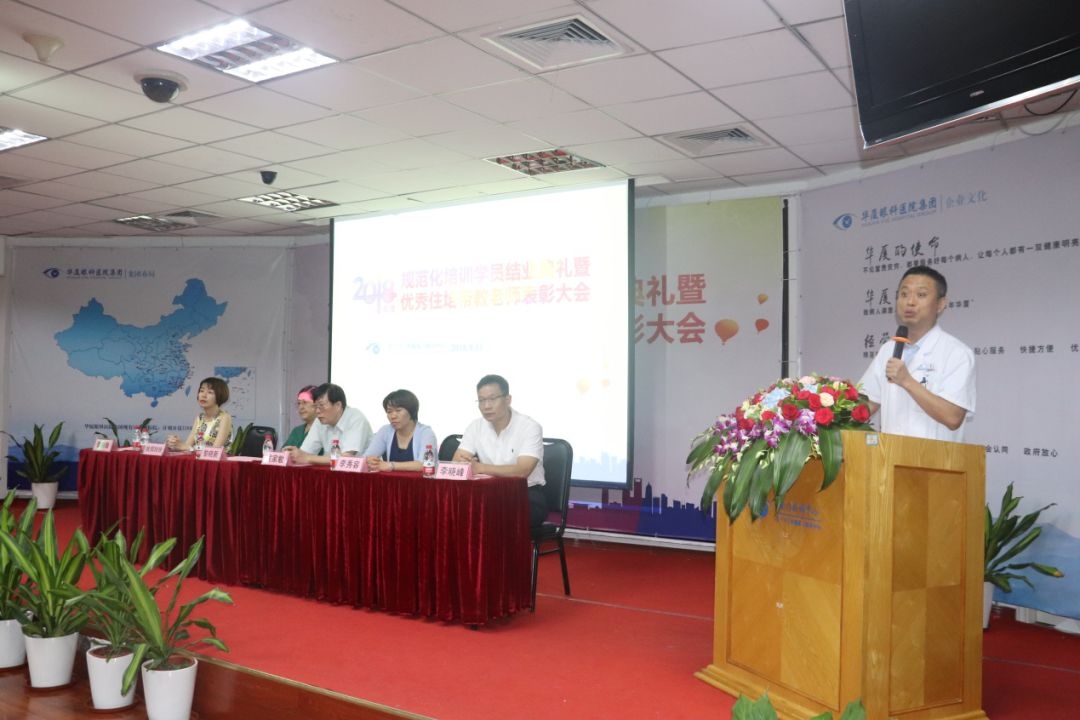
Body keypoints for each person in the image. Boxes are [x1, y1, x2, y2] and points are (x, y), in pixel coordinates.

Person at [858, 265, 975, 442]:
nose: (910, 302)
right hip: (890, 455)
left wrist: (907, 381)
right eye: (904, 294)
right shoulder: (888, 350)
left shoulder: (957, 353)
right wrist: (827, 407)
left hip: (937, 458)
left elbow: (953, 417)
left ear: (941, 304)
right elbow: (866, 405)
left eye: (921, 295)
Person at [453, 374, 547, 527]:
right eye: (481, 400)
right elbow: (457, 461)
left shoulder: (529, 427)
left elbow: (522, 471)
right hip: (487, 493)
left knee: (490, 516)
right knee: (455, 511)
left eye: (492, 399)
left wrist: (481, 468)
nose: (486, 406)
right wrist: (464, 464)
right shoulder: (475, 426)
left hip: (524, 495)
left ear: (508, 399)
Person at [285, 382, 372, 465]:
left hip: (363, 473)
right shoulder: (319, 421)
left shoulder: (356, 418)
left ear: (338, 405)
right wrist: (294, 454)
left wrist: (308, 458)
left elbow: (346, 458)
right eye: (316, 406)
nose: (317, 411)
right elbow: (306, 452)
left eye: (321, 406)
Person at [364, 389, 438, 472]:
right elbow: (365, 458)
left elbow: (425, 464)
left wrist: (391, 465)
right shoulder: (385, 431)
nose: (393, 416)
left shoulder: (426, 433)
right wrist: (370, 461)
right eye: (389, 411)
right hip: (392, 480)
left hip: (420, 480)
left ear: (411, 411)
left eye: (398, 410)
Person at [167, 377, 234, 450]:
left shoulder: (224, 417)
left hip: (216, 457)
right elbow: (187, 446)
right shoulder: (200, 418)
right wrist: (176, 443)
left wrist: (188, 448)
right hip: (198, 457)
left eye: (210, 392)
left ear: (220, 395)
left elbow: (215, 450)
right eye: (201, 391)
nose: (203, 395)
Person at [282, 385, 319, 450]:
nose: (300, 407)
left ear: (317, 404)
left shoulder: (323, 431)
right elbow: (283, 452)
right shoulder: (297, 431)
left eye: (305, 402)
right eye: (299, 403)